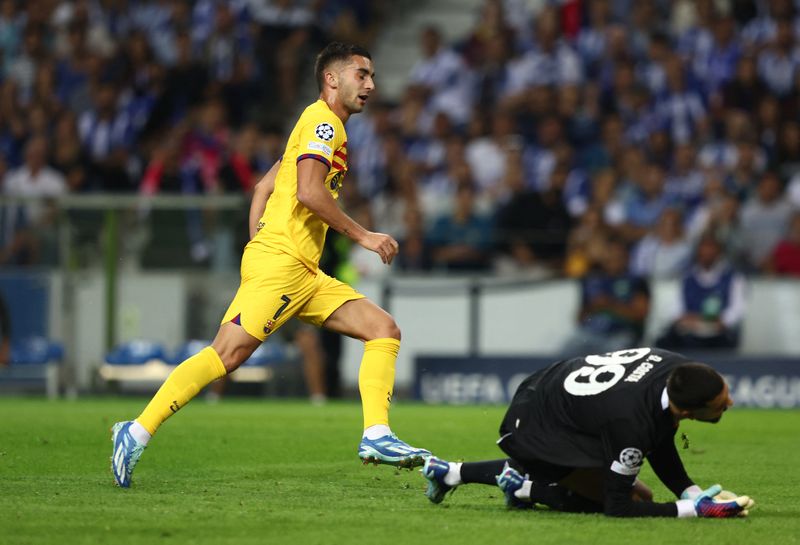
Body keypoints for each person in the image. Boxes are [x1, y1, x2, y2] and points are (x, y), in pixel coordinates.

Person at [110, 42, 430, 488]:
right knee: (227, 354)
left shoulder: (319, 123)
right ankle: (136, 430)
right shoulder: (322, 122)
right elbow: (309, 193)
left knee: (383, 329)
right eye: (362, 74)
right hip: (284, 263)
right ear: (332, 79)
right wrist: (364, 236)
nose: (371, 85)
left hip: (301, 269)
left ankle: (377, 433)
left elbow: (265, 184)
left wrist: (255, 238)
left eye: (372, 76)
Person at [421, 348, 755, 518]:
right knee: (639, 497)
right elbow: (618, 506)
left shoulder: (678, 371)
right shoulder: (631, 424)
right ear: (685, 411)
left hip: (552, 391)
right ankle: (527, 489)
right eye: (721, 403)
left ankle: (451, 473)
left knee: (623, 484)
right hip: (539, 425)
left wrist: (691, 491)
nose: (731, 402)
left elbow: (659, 434)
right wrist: (694, 510)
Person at [656, 232, 746, 350]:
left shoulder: (734, 278)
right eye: (703, 249)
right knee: (665, 341)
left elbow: (737, 309)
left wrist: (721, 321)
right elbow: (676, 308)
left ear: (719, 252)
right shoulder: (686, 278)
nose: (707, 253)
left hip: (718, 333)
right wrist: (686, 319)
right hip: (691, 331)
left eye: (711, 249)